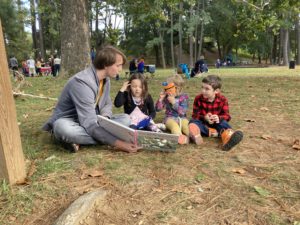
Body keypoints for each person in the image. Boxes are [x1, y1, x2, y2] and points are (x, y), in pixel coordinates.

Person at [42, 45, 140, 153]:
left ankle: (79, 140)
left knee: (126, 119)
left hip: (92, 119)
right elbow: (89, 124)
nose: (121, 69)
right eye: (118, 65)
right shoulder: (81, 82)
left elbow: (106, 103)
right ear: (105, 64)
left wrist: (105, 119)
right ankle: (71, 137)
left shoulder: (105, 79)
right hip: (72, 121)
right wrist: (120, 143)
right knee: (62, 129)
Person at [188, 75, 243, 151]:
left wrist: (218, 118)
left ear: (216, 91)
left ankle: (227, 138)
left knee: (223, 124)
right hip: (203, 123)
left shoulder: (223, 99)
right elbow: (195, 115)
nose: (203, 91)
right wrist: (204, 117)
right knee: (192, 122)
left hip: (217, 123)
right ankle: (215, 133)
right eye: (202, 87)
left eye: (207, 89)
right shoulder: (198, 98)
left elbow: (227, 116)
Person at [155, 74, 189, 144]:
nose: (169, 91)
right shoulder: (166, 97)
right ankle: (180, 137)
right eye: (167, 88)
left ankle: (193, 136)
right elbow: (158, 109)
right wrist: (160, 99)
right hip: (169, 118)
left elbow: (182, 112)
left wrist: (174, 103)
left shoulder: (184, 97)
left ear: (178, 88)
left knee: (186, 126)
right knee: (174, 127)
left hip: (182, 118)